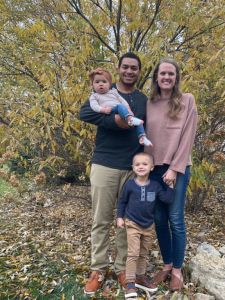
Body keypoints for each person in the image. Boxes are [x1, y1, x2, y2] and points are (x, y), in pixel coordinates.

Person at [79, 52, 148, 295]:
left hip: (131, 169)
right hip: (105, 164)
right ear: (118, 69)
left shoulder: (142, 100)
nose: (129, 71)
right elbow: (84, 113)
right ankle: (97, 269)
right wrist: (115, 120)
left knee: (126, 223)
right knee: (101, 220)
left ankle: (121, 268)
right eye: (126, 67)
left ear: (139, 72)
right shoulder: (102, 91)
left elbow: (146, 128)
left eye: (134, 68)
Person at [145, 58, 198, 291]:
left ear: (176, 78)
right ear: (156, 77)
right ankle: (166, 265)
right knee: (158, 219)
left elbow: (188, 136)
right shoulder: (149, 103)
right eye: (162, 73)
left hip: (176, 169)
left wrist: (174, 169)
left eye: (171, 74)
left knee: (175, 218)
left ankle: (177, 269)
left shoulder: (187, 100)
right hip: (152, 170)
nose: (166, 77)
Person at [116, 152, 174, 298]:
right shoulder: (130, 185)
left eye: (144, 164)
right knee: (133, 253)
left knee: (143, 253)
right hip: (132, 223)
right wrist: (119, 217)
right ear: (133, 168)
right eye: (137, 164)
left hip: (148, 225)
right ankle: (130, 283)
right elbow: (122, 201)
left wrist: (171, 187)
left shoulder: (155, 186)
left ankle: (140, 278)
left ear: (152, 167)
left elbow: (167, 199)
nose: (141, 166)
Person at [88, 68, 152, 146]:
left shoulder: (113, 92)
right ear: (92, 85)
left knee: (139, 122)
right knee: (120, 106)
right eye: (97, 82)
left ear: (109, 84)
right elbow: (94, 106)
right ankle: (129, 119)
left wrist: (128, 110)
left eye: (104, 82)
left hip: (121, 110)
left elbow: (122, 101)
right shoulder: (94, 96)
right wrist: (102, 110)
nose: (101, 84)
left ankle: (142, 137)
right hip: (110, 110)